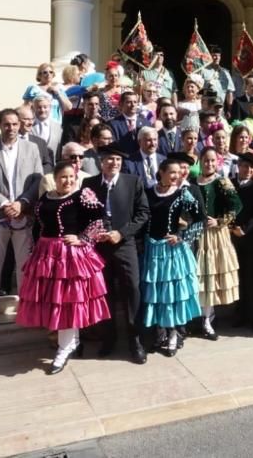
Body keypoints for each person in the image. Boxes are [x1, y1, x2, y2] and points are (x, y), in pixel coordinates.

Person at [16, 162, 109, 374]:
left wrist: (83, 238)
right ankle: (72, 342)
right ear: (55, 178)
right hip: (47, 254)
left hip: (69, 255)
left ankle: (64, 348)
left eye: (71, 177)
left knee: (66, 301)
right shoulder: (46, 197)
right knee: (56, 301)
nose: (67, 181)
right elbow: (39, 225)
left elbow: (101, 218)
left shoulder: (82, 195)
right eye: (63, 177)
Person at [0, 108, 44, 330]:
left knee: (24, 265)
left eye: (14, 124)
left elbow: (38, 179)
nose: (11, 128)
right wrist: (5, 203)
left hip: (23, 215)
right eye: (7, 124)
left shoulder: (31, 148)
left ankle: (25, 306)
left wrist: (22, 203)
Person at [82, 146, 151, 363]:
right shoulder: (89, 185)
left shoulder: (133, 182)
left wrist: (121, 233)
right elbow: (84, 215)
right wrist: (94, 233)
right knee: (105, 293)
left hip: (124, 245)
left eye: (117, 159)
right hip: (99, 248)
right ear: (101, 162)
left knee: (132, 289)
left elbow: (143, 214)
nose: (113, 163)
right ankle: (109, 337)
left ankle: (135, 340)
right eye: (109, 159)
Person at [140, 159, 204, 357]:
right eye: (172, 172)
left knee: (173, 296)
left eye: (179, 172)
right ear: (161, 172)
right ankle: (160, 335)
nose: (177, 176)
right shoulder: (148, 193)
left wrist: (181, 236)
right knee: (157, 295)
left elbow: (200, 218)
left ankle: (174, 335)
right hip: (152, 250)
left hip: (172, 251)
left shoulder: (182, 193)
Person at [194, 147, 242, 339]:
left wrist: (220, 221)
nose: (209, 164)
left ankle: (207, 319)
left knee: (210, 276)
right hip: (196, 235)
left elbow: (237, 205)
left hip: (214, 237)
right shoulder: (192, 182)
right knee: (199, 277)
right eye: (206, 160)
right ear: (200, 161)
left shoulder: (222, 181)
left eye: (213, 161)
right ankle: (202, 316)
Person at [229, 153, 253, 334]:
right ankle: (240, 314)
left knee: (252, 278)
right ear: (239, 167)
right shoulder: (230, 184)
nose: (248, 170)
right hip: (232, 237)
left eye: (252, 167)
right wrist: (231, 226)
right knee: (238, 276)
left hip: (250, 237)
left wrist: (245, 228)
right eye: (245, 166)